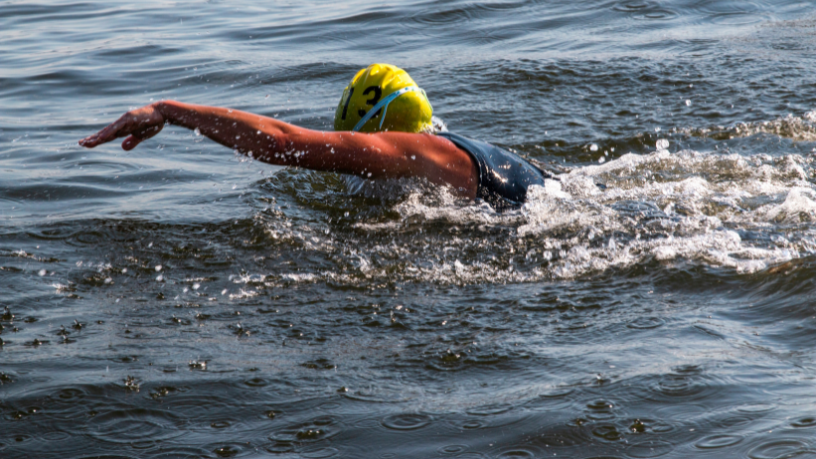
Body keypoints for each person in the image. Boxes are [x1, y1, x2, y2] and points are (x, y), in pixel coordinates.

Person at [80, 64, 552, 209]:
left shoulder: (418, 151)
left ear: (374, 133)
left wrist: (169, 111)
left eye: (354, 140)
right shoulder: (454, 147)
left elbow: (284, 144)